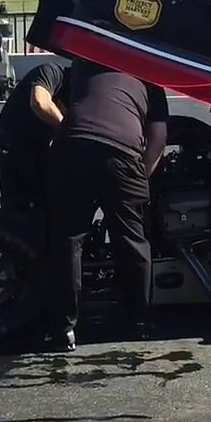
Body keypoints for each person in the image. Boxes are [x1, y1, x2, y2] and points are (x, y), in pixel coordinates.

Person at [44, 59, 169, 351]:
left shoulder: (84, 65)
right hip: (122, 152)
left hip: (73, 148)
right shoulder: (149, 72)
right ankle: (139, 321)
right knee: (132, 240)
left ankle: (63, 329)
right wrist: (142, 177)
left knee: (68, 239)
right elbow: (159, 138)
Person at [0, 61, 69, 218]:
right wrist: (66, 128)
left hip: (37, 150)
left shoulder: (76, 95)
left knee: (50, 204)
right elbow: (39, 102)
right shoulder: (50, 72)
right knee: (21, 213)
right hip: (13, 149)